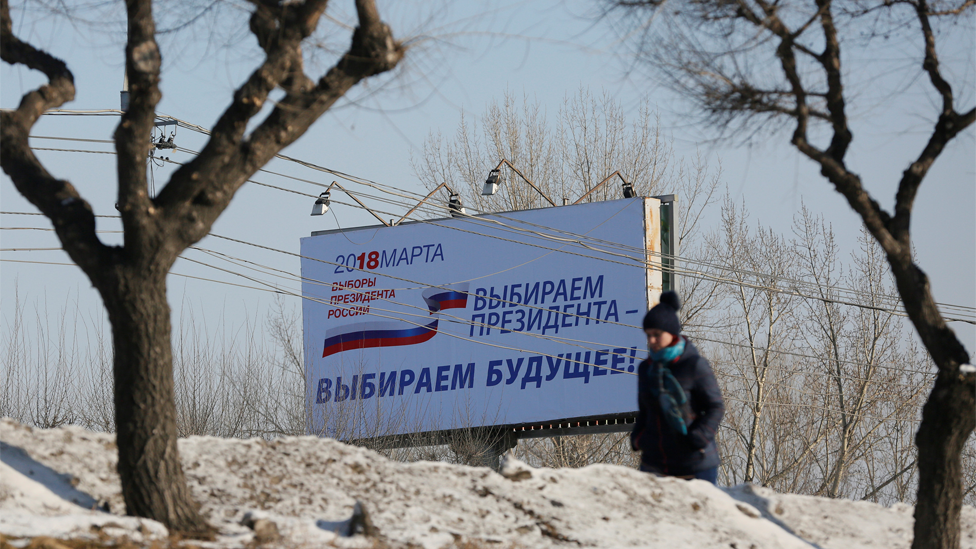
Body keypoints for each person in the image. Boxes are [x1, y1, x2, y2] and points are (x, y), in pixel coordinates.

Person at [631, 291, 725, 484]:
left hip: (695, 464)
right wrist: (638, 438)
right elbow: (644, 411)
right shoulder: (646, 369)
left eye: (657, 335)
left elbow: (716, 407)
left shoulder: (694, 365)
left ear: (672, 333)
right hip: (654, 464)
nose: (651, 341)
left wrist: (697, 438)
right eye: (648, 335)